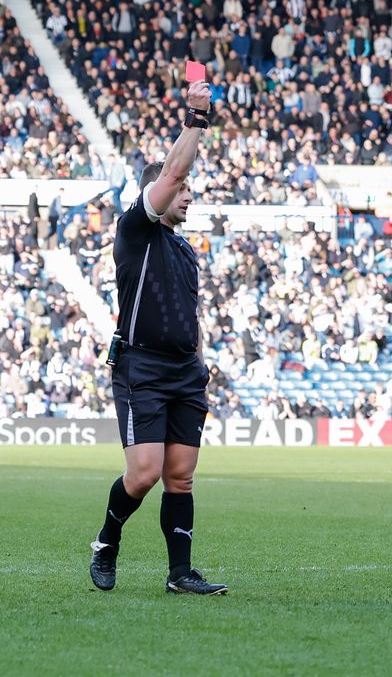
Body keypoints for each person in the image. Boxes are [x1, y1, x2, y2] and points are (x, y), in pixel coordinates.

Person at [88, 81, 227, 596]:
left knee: (181, 476)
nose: (188, 194)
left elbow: (186, 314)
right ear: (158, 196)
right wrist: (196, 117)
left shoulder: (185, 250)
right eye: (184, 191)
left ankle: (180, 573)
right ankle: (106, 541)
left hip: (184, 371)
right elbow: (172, 171)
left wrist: (198, 358)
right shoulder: (135, 230)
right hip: (140, 367)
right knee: (143, 473)